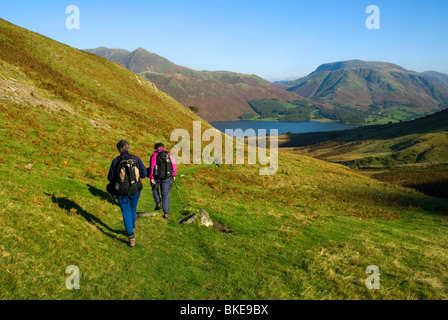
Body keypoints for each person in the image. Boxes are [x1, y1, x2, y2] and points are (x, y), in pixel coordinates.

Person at [107, 139, 147, 247]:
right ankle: (132, 226)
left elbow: (110, 177)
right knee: (133, 209)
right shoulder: (136, 159)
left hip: (121, 191)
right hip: (135, 189)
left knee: (126, 211)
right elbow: (144, 174)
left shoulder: (116, 161)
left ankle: (131, 236)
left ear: (119, 149)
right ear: (128, 148)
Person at [148, 143, 177, 219]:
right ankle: (166, 212)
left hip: (157, 177)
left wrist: (151, 177)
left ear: (156, 148)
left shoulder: (155, 155)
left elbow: (152, 166)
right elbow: (173, 165)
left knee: (154, 188)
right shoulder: (168, 154)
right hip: (166, 177)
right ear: (163, 147)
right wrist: (174, 174)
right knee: (165, 194)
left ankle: (158, 202)